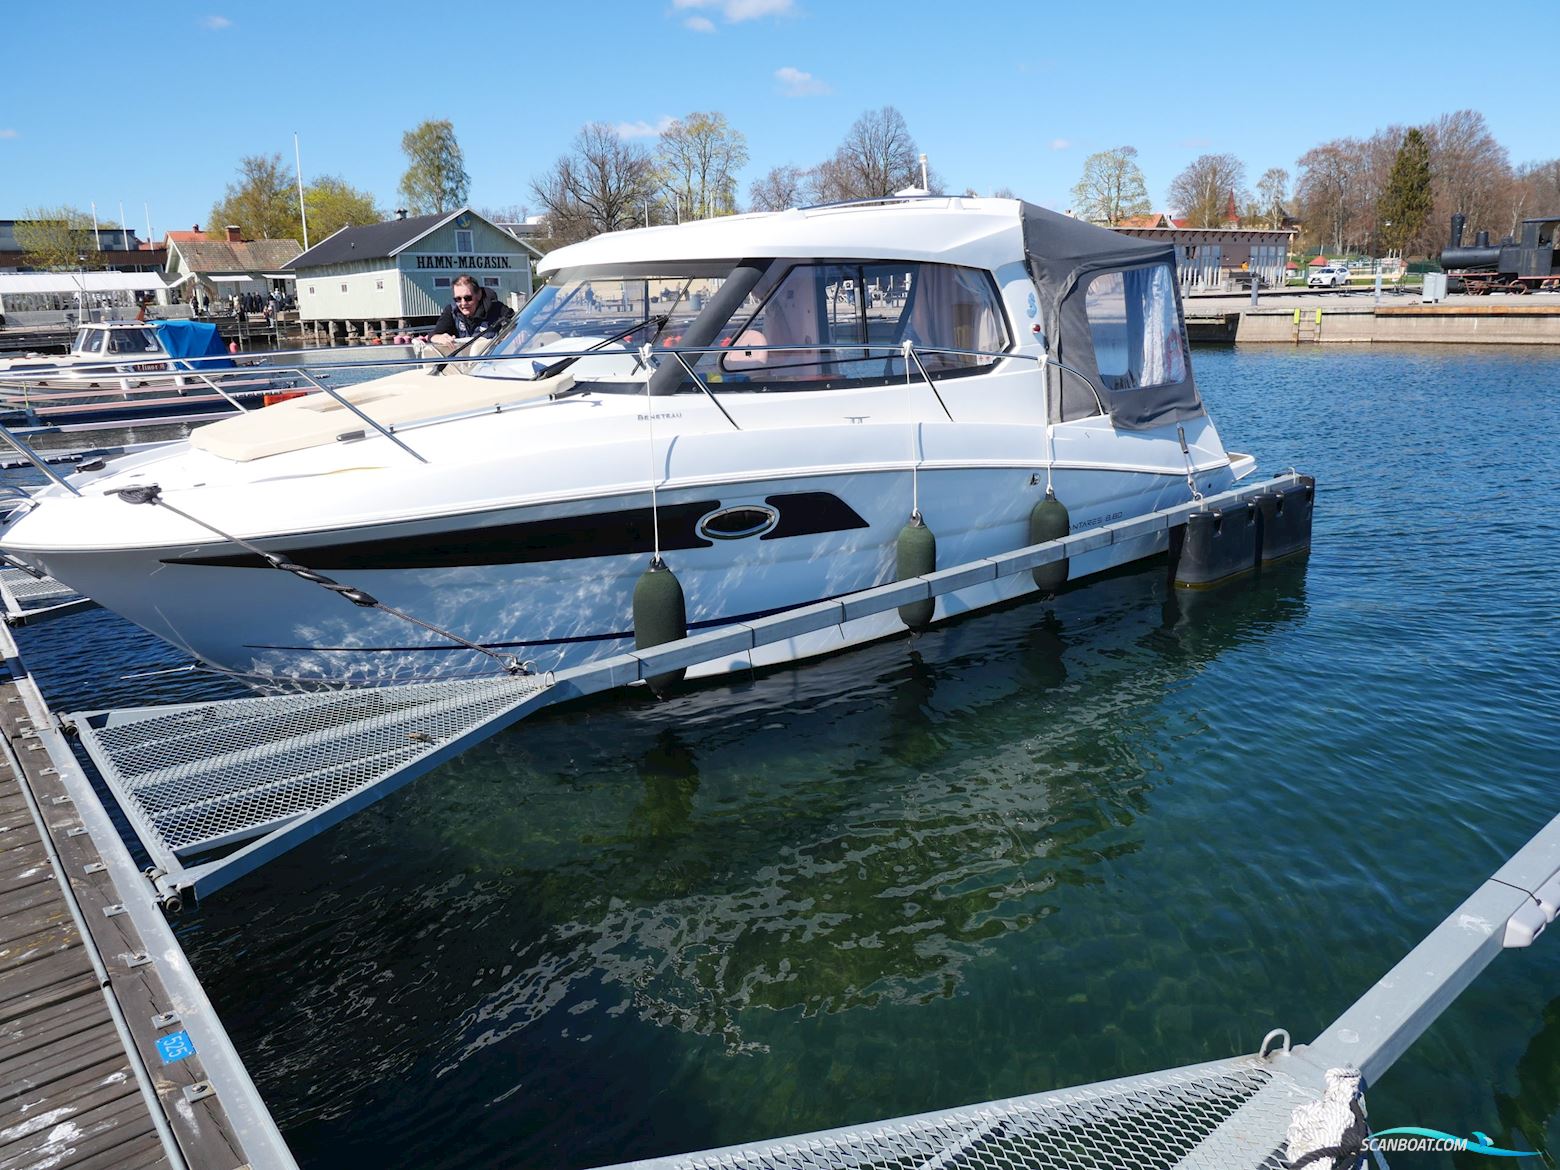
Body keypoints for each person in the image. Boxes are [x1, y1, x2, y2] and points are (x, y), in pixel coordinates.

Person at [428, 275, 513, 346]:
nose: (463, 303)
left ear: (479, 295)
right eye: (458, 299)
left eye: (468, 298)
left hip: (492, 361)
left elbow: (518, 322)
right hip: (464, 363)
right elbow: (433, 334)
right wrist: (439, 338)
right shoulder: (451, 311)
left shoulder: (496, 308)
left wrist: (514, 333)